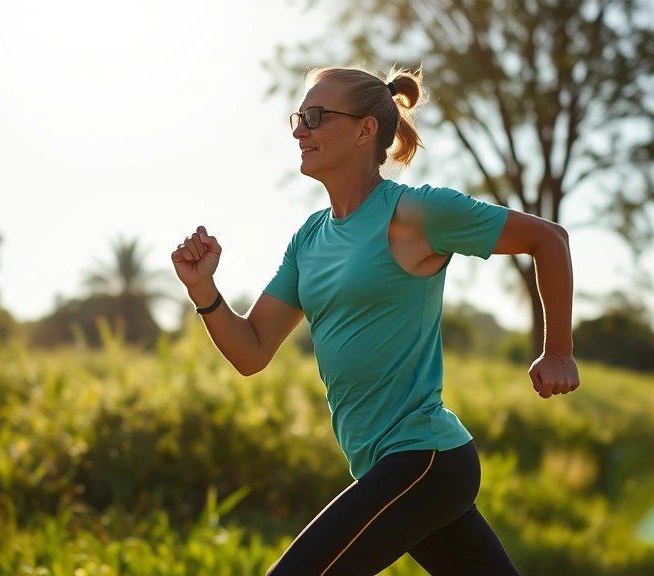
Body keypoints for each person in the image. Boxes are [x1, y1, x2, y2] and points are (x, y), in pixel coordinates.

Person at [170, 66, 580, 576]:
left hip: (423, 458)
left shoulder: (415, 214)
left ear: (365, 130)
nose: (300, 130)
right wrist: (204, 291)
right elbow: (252, 351)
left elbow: (550, 240)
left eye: (316, 118)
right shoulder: (310, 239)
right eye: (299, 117)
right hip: (386, 466)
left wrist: (558, 349)